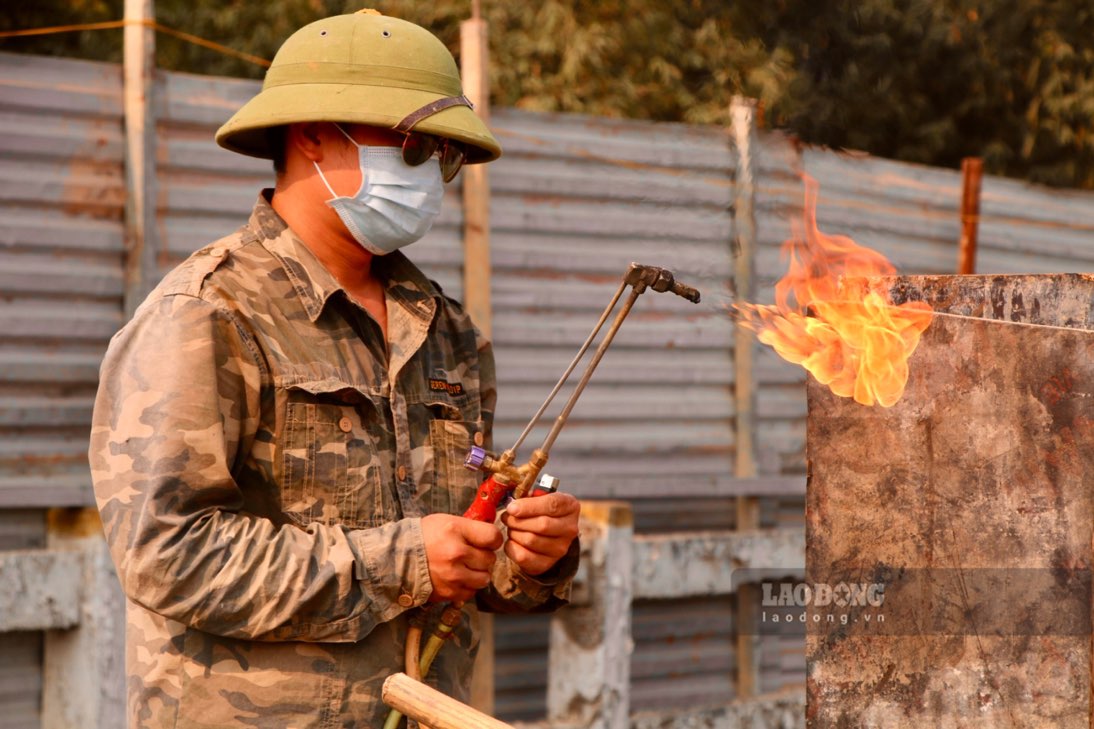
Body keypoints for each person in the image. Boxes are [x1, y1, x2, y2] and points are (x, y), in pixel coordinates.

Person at [89, 9, 580, 727]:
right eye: (414, 147)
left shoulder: (449, 333)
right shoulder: (209, 312)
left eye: (445, 156)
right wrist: (404, 559)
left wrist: (529, 554)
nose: (433, 174)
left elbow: (461, 558)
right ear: (313, 134)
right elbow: (167, 551)